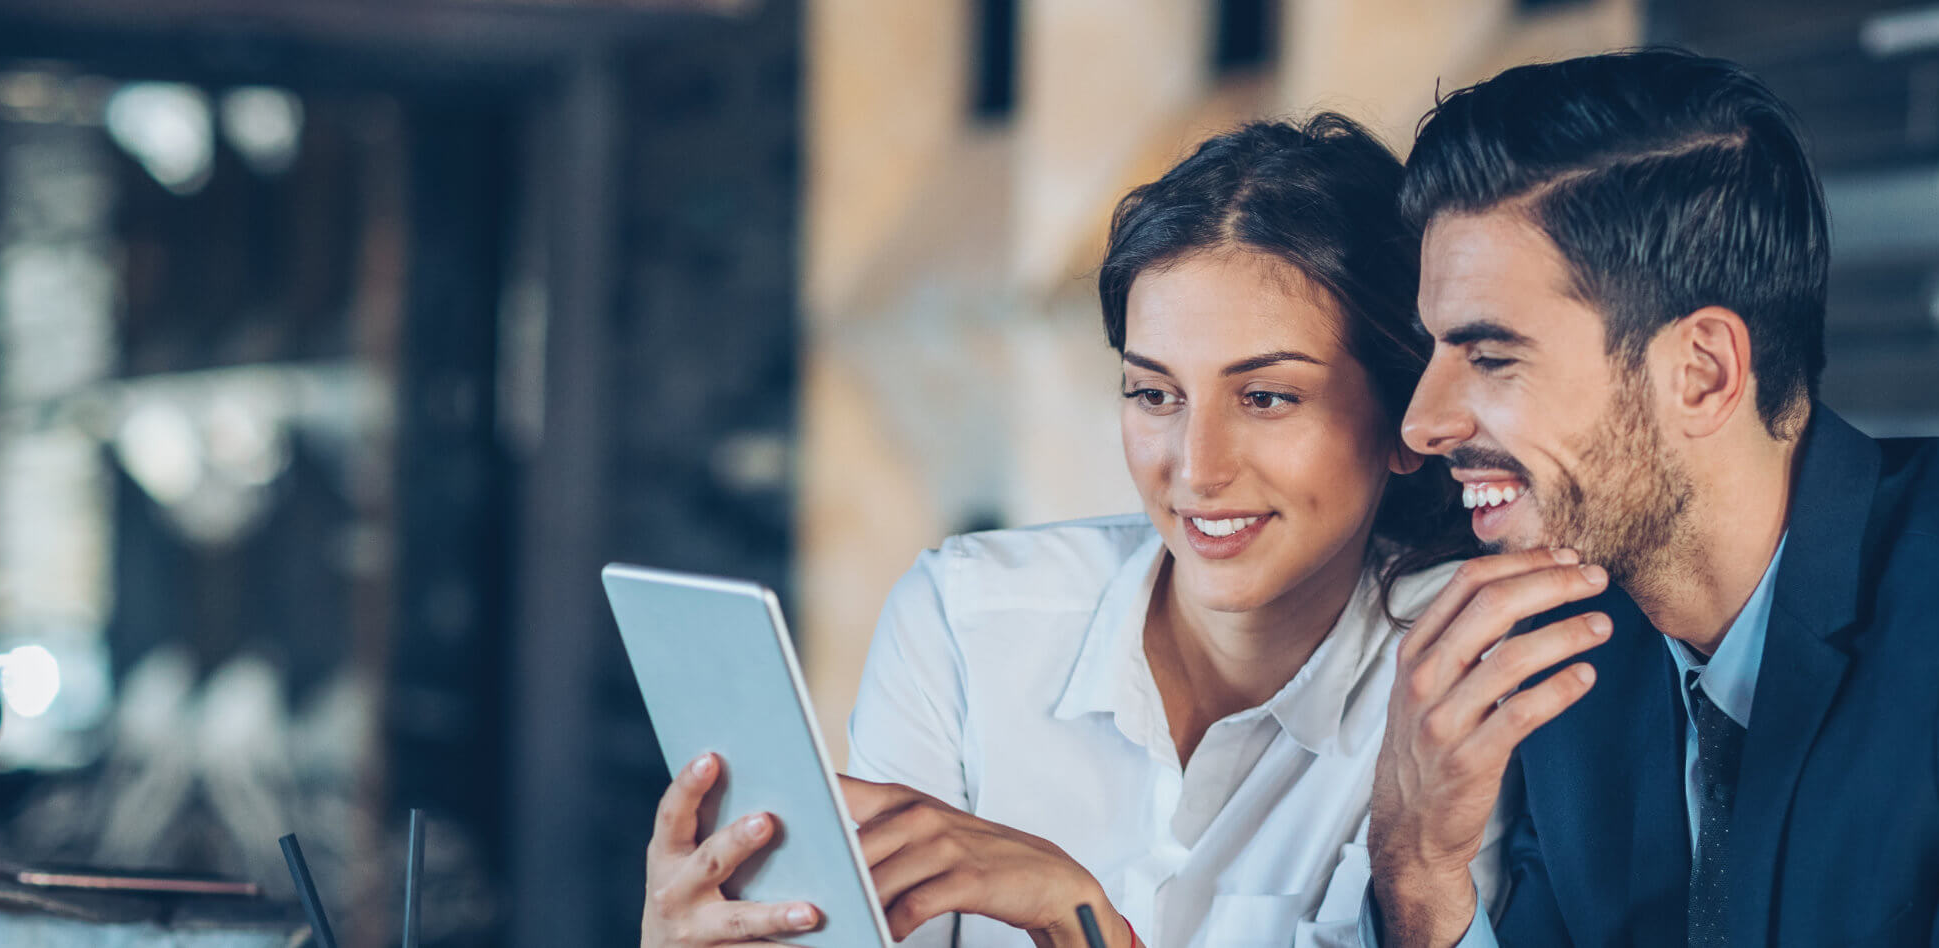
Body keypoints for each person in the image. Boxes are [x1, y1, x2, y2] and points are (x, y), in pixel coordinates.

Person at [1361, 50, 1939, 947]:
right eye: (1434, 349)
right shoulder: (1571, 650)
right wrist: (1421, 879)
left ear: (1702, 373)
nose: (1421, 424)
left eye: (1489, 357)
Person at [638, 113, 1498, 948]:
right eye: (1154, 393)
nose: (1196, 469)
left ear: (1404, 419)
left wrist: (1072, 916)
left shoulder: (1465, 685)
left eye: (1267, 397)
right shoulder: (970, 623)